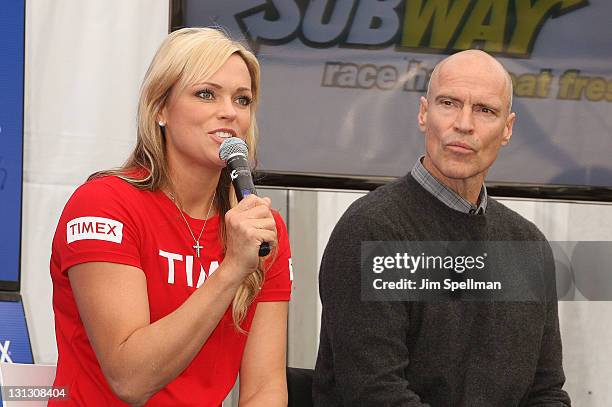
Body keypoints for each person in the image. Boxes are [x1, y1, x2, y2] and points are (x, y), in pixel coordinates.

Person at [50, 27, 292, 406]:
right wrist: (231, 270)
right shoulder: (104, 204)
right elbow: (129, 379)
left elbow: (265, 387)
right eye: (206, 94)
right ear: (160, 108)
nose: (229, 111)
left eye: (242, 100)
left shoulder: (261, 227)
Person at [313, 50, 570, 406]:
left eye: (485, 110)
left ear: (507, 129)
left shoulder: (528, 246)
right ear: (423, 114)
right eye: (449, 103)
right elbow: (375, 393)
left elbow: (546, 392)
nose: (464, 124)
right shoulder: (371, 230)